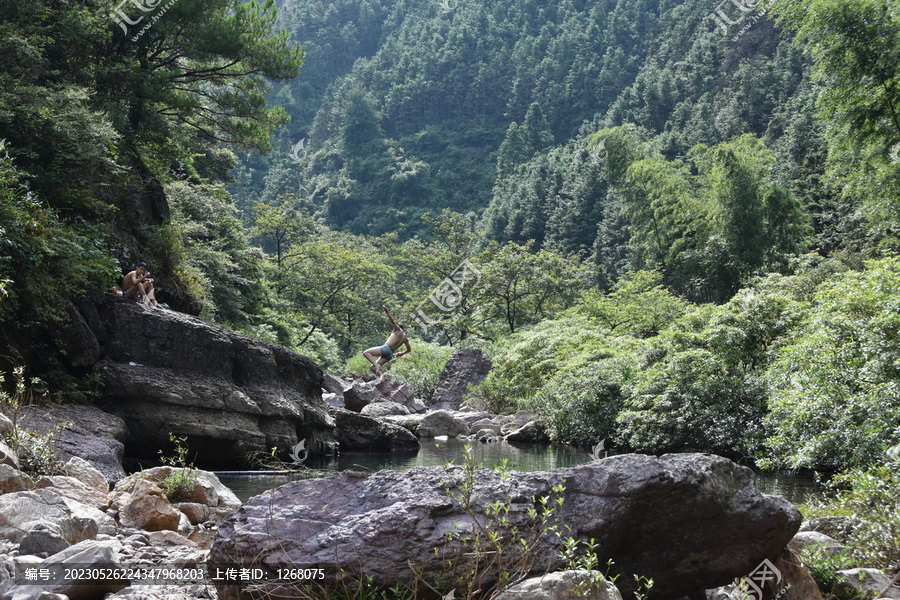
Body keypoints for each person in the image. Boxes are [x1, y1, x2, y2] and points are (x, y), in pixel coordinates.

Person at [363, 305, 411, 383]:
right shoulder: (405, 339)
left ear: (399, 327)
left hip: (386, 348)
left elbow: (392, 321)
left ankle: (376, 365)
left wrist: (387, 312)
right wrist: (402, 353)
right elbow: (409, 350)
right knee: (372, 368)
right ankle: (381, 376)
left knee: (366, 353)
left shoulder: (398, 330)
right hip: (390, 354)